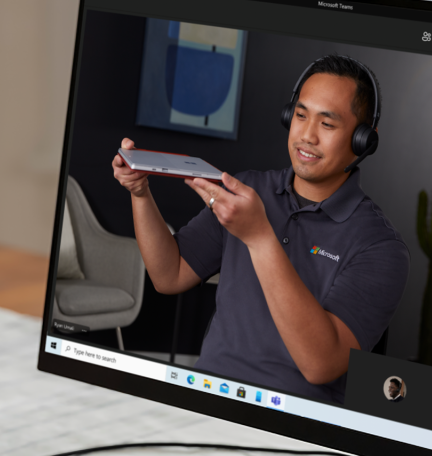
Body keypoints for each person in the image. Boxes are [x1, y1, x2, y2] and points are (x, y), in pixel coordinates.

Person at [112, 55, 409, 404]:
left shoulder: (381, 247)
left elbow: (321, 365)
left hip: (293, 425)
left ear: (362, 140)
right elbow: (169, 275)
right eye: (300, 116)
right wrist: (140, 194)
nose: (307, 136)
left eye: (327, 125)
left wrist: (259, 237)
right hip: (208, 395)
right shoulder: (249, 191)